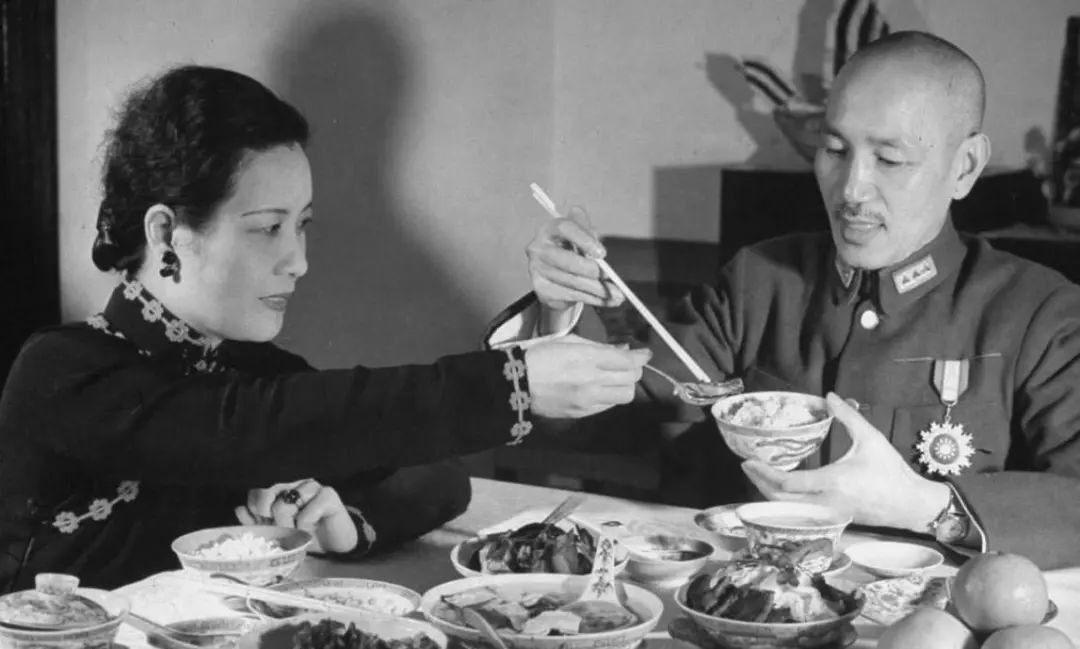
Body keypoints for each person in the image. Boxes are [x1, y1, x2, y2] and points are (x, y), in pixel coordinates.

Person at [0, 65, 651, 592]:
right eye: (267, 228)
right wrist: (513, 382)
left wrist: (344, 525)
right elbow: (255, 429)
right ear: (167, 233)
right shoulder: (62, 370)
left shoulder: (249, 370)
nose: (299, 261)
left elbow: (434, 474)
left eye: (302, 225)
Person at [490, 31, 1080, 569]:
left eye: (890, 159)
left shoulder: (1039, 313)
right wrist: (558, 312)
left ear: (965, 167)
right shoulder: (760, 281)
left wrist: (931, 507)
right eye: (835, 149)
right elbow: (619, 412)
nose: (852, 189)